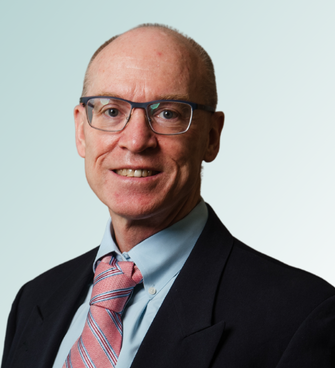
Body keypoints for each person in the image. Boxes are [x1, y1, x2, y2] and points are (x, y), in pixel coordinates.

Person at [2, 24, 335, 368]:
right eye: (112, 111)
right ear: (81, 131)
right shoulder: (35, 301)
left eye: (168, 113)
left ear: (211, 137)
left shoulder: (300, 316)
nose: (136, 141)